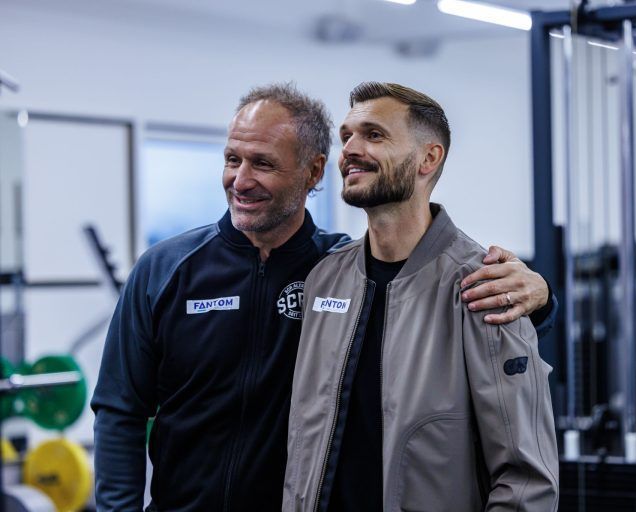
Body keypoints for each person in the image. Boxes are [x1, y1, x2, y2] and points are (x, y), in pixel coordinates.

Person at [91, 83, 555, 511]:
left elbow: (429, 298)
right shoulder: (167, 269)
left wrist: (541, 297)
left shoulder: (334, 270)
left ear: (313, 171)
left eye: (264, 163)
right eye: (233, 160)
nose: (241, 179)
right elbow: (119, 410)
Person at [283, 82, 559, 512]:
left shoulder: (483, 286)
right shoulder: (325, 280)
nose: (350, 149)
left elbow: (526, 482)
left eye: (373, 135)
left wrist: (543, 296)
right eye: (346, 136)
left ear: (428, 158)